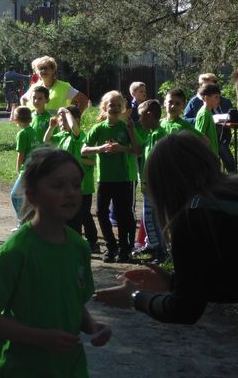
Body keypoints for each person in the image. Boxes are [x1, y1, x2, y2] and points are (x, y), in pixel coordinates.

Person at [0, 148, 111, 377]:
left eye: (76, 185)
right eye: (58, 186)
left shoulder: (79, 247)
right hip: (22, 369)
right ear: (32, 194)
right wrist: (40, 338)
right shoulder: (17, 251)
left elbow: (73, 302)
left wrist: (92, 326)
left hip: (70, 368)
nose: (70, 193)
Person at [94, 131, 238, 324]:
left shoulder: (193, 217)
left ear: (163, 183)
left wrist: (135, 297)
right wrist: (174, 283)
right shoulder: (227, 195)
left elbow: (183, 310)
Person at [81, 91, 139, 263]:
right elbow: (84, 150)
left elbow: (137, 150)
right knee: (101, 212)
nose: (114, 108)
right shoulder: (98, 128)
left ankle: (124, 248)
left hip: (123, 178)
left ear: (123, 108)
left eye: (117, 105)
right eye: (111, 105)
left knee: (123, 214)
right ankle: (111, 245)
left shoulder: (126, 127)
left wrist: (121, 148)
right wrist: (101, 149)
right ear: (104, 107)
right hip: (104, 179)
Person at [44, 105, 98, 252]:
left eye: (64, 121)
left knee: (83, 215)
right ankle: (78, 242)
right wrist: (52, 126)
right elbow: (47, 141)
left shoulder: (79, 136)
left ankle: (91, 242)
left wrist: (66, 112)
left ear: (76, 120)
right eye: (60, 121)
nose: (62, 123)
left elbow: (75, 129)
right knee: (75, 215)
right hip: (68, 186)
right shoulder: (61, 136)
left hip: (83, 186)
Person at [132, 99, 168, 262]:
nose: (139, 120)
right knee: (150, 217)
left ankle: (158, 249)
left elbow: (156, 161)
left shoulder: (158, 135)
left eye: (140, 116)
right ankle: (155, 245)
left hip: (153, 185)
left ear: (149, 115)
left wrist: (149, 183)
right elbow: (139, 150)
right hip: (150, 184)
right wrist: (131, 131)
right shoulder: (151, 134)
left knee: (151, 217)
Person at [183, 73, 235, 171]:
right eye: (216, 97)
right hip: (208, 149)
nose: (218, 100)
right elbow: (199, 134)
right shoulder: (201, 110)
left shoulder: (224, 101)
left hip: (220, 140)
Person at [21, 55, 89, 115]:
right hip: (36, 127)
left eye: (46, 68)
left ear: (53, 70)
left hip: (58, 127)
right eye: (40, 68)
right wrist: (25, 116)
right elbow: (23, 99)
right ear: (37, 72)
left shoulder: (64, 87)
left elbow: (84, 100)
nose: (43, 71)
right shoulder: (34, 87)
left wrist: (75, 118)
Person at [10, 106, 39, 222]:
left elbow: (21, 154)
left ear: (16, 120)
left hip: (26, 170)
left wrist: (17, 169)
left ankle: (22, 220)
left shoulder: (22, 134)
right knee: (28, 197)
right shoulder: (33, 131)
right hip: (35, 169)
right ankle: (30, 220)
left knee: (15, 195)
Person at [195, 82, 221, 158]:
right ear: (206, 98)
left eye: (219, 97)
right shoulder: (204, 113)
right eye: (216, 97)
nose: (219, 100)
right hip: (206, 156)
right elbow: (199, 136)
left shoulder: (208, 112)